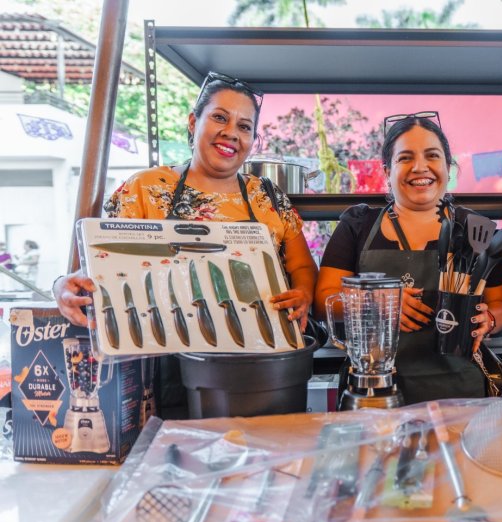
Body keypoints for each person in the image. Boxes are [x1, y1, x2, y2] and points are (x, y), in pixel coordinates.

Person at [54, 71, 317, 332]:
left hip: (257, 348)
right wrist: (62, 285)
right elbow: (104, 266)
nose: (231, 133)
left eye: (244, 126)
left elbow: (302, 266)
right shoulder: (144, 188)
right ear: (193, 122)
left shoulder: (269, 197)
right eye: (219, 117)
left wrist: (303, 293)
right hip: (162, 346)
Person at [314, 113, 502, 404]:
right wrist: (375, 303)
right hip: (375, 389)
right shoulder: (358, 225)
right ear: (386, 170)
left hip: (461, 391)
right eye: (405, 158)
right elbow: (322, 301)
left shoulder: (474, 229)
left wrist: (491, 319)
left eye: (432, 156)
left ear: (448, 165)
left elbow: (501, 305)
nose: (420, 167)